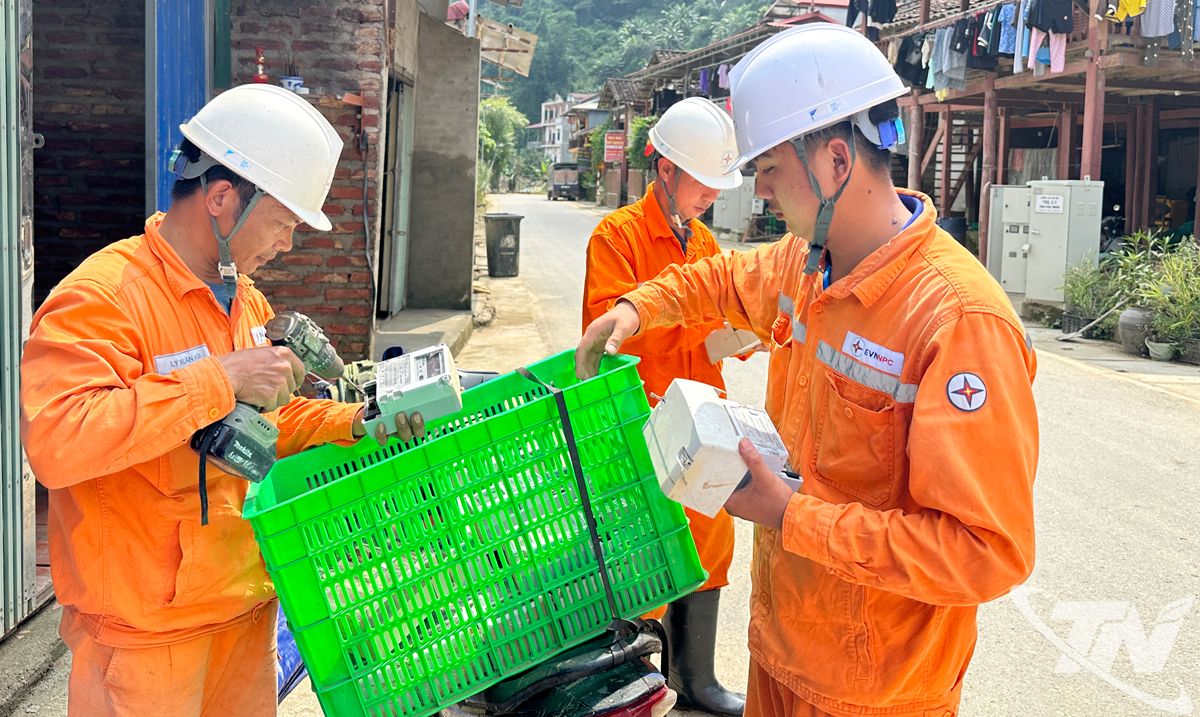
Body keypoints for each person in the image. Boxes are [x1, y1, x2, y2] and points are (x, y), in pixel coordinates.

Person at [577, 25, 1039, 717]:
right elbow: (722, 279)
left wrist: (791, 515)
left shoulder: (957, 320)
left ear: (835, 161)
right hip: (780, 652)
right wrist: (636, 308)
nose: (758, 188)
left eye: (768, 166)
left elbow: (983, 553)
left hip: (876, 693)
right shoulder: (805, 261)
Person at [20, 84, 422, 716]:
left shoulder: (244, 299)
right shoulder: (103, 296)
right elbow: (59, 440)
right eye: (283, 222)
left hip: (243, 608)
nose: (287, 243)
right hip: (146, 637)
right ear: (222, 198)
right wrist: (220, 377)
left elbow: (267, 420)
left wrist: (358, 421)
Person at [582, 97, 748, 717]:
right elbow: (611, 333)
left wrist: (738, 334)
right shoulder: (617, 236)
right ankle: (633, 684)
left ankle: (694, 680)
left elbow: (714, 314)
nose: (712, 194)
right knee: (644, 551)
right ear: (666, 169)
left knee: (711, 535)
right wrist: (704, 329)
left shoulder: (702, 241)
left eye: (717, 183)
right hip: (641, 420)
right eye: (702, 180)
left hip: (701, 415)